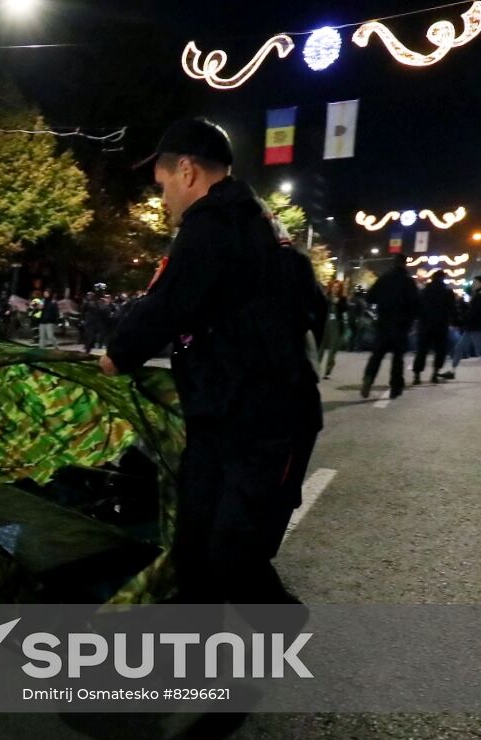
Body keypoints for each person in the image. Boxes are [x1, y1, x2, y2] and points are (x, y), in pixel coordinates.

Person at [101, 118, 324, 605]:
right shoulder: (256, 219)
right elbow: (310, 302)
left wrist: (117, 357)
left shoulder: (215, 223)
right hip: (222, 414)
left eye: (162, 186)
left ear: (187, 172)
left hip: (268, 422)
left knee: (232, 555)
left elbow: (166, 303)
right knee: (191, 547)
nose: (163, 201)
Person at [360, 254, 419, 399]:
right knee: (398, 358)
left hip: (384, 323)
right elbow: (415, 305)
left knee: (377, 355)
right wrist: (411, 321)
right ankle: (395, 387)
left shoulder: (384, 279)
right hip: (401, 325)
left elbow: (370, 298)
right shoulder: (409, 282)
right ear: (405, 264)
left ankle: (368, 378)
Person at [441, 275, 481, 382]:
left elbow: (474, 313)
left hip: (476, 328)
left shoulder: (480, 296)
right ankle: (452, 372)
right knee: (459, 348)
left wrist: (462, 321)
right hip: (472, 327)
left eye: (475, 282)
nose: (473, 284)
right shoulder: (480, 295)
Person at [412, 270, 456, 385]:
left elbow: (417, 307)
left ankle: (417, 375)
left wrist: (418, 321)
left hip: (425, 325)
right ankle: (434, 374)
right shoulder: (447, 291)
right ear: (443, 278)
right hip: (441, 325)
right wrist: (455, 322)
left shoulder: (424, 291)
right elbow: (452, 309)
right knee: (440, 351)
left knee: (421, 351)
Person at [319, 279, 347, 379]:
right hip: (325, 325)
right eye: (334, 287)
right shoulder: (325, 297)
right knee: (320, 348)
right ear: (331, 288)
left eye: (338, 287)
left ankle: (327, 371)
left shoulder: (342, 299)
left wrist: (339, 303)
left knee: (333, 349)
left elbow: (345, 309)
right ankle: (315, 369)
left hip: (336, 325)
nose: (336, 289)